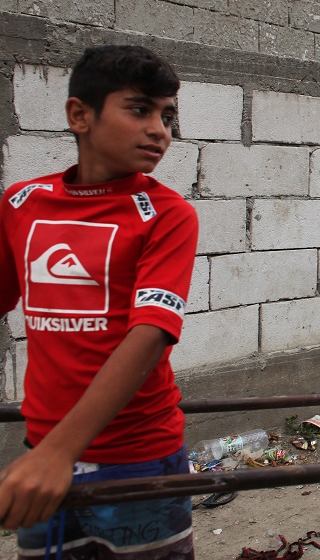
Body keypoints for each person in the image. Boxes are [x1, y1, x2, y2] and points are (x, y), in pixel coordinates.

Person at [0, 45, 199, 558]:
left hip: (138, 457)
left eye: (167, 115)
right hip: (43, 449)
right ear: (79, 115)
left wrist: (60, 453)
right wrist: (51, 453)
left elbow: (151, 334)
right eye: (139, 109)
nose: (160, 129)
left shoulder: (166, 214)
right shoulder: (23, 204)